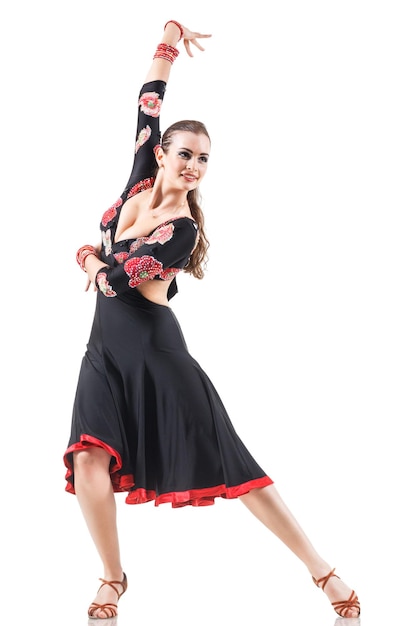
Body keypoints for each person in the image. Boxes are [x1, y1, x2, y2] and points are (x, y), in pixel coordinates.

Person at [63, 20, 361, 621]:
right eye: (186, 153)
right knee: (87, 458)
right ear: (161, 152)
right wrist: (169, 37)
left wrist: (89, 258)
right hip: (103, 351)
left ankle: (322, 571)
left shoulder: (183, 228)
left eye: (204, 159)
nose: (195, 165)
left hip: (158, 355)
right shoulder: (138, 182)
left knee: (234, 467)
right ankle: (113, 580)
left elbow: (119, 278)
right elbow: (149, 97)